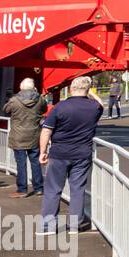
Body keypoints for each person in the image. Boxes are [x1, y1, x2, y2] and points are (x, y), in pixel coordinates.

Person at [39, 76, 103, 234]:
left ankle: (48, 226)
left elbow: (46, 130)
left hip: (59, 153)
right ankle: (75, 225)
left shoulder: (60, 107)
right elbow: (101, 104)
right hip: (82, 153)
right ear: (87, 90)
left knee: (53, 189)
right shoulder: (94, 107)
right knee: (77, 189)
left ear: (71, 89)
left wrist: (43, 152)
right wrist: (92, 93)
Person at [2, 78, 48, 198]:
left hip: (18, 137)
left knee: (21, 163)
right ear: (33, 88)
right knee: (35, 162)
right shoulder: (40, 99)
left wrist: (8, 98)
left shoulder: (14, 100)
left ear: (21, 87)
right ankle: (38, 188)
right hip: (34, 135)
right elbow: (44, 109)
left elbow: (5, 110)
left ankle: (22, 190)